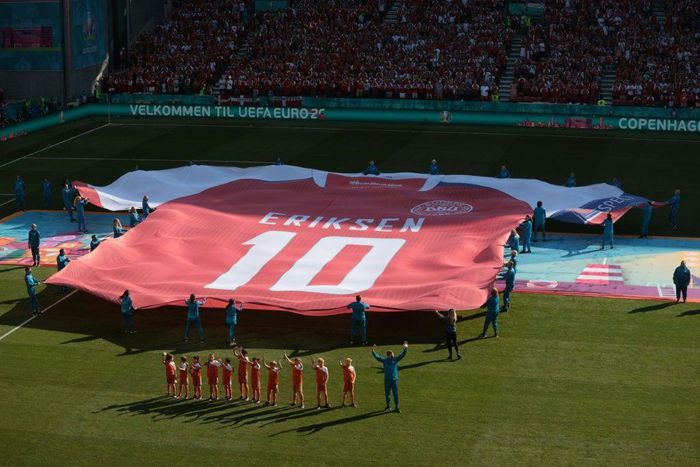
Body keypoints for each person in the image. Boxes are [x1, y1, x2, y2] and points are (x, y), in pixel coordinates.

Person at [371, 341, 408, 413]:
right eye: (392, 354)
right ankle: (388, 406)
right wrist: (373, 350)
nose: (394, 354)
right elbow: (377, 357)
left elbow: (402, 355)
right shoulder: (385, 360)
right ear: (389, 355)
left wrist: (405, 348)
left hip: (394, 380)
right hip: (387, 380)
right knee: (387, 394)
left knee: (395, 394)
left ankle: (396, 407)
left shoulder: (395, 359)